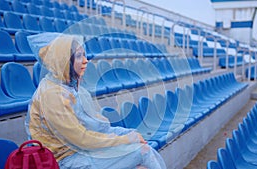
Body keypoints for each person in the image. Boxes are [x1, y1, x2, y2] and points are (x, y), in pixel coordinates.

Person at [25, 32, 166, 169]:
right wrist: (125, 140)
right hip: (65, 161)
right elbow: (82, 139)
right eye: (79, 56)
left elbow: (97, 127)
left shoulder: (68, 88)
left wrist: (127, 134)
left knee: (141, 163)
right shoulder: (52, 95)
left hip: (80, 152)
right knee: (143, 151)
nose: (86, 60)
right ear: (64, 61)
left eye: (84, 54)